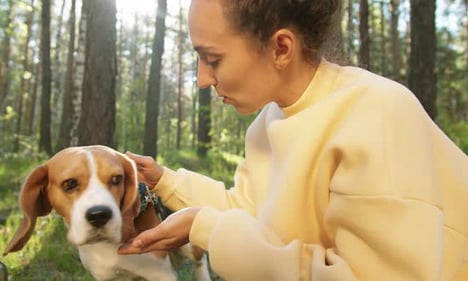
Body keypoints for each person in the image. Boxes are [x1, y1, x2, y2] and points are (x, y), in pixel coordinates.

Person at [119, 0, 468, 280]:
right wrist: (165, 181)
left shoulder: (377, 112)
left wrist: (205, 228)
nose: (201, 79)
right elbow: (250, 213)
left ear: (281, 48)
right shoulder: (268, 123)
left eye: (213, 59)